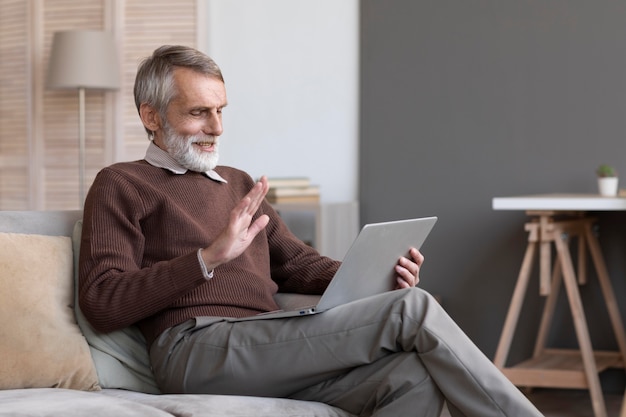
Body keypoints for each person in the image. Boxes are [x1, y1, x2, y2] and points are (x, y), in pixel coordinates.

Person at [78, 45, 543, 417]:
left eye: (221, 111)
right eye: (199, 112)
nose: (216, 127)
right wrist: (206, 260)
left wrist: (379, 272)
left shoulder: (238, 183)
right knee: (412, 310)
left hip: (269, 341)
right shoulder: (122, 183)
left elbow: (298, 263)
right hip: (194, 349)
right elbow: (102, 300)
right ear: (152, 116)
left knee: (409, 378)